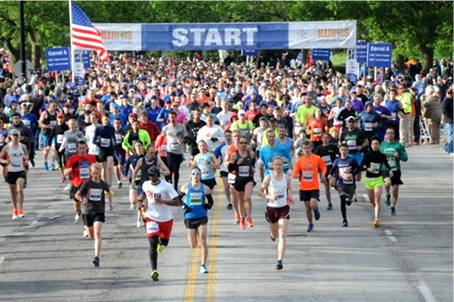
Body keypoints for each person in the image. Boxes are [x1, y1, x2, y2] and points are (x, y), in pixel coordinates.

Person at [138, 166, 181, 282]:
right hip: (151, 218)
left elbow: (178, 202)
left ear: (159, 175)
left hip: (166, 219)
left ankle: (162, 243)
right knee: (152, 244)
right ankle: (154, 270)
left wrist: (163, 201)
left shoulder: (167, 186)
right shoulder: (146, 184)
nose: (152, 178)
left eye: (154, 175)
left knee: (165, 242)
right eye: (150, 175)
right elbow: (144, 193)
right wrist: (141, 202)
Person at [258, 156, 293, 270]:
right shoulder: (268, 178)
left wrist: (290, 196)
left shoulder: (287, 178)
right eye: (276, 164)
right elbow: (259, 192)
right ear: (272, 165)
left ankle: (279, 260)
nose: (278, 166)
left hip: (283, 208)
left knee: (282, 234)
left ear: (283, 165)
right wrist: (269, 196)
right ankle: (273, 236)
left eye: (280, 164)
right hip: (271, 208)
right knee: (275, 235)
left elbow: (289, 188)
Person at [75, 163, 113, 267]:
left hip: (99, 211)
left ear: (100, 173)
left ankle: (97, 257)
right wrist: (83, 199)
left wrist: (110, 203)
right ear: (91, 173)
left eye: (97, 173)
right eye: (93, 173)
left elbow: (109, 192)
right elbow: (77, 194)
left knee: (97, 233)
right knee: (91, 235)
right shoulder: (86, 184)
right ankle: (87, 231)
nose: (95, 175)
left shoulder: (103, 184)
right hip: (87, 212)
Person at [179, 167, 214, 274]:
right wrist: (183, 206)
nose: (195, 175)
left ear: (200, 176)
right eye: (193, 173)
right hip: (190, 217)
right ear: (190, 176)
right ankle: (195, 243)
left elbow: (211, 201)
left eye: (198, 173)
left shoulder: (205, 188)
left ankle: (203, 265)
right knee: (193, 245)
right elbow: (177, 198)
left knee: (203, 240)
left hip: (202, 217)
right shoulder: (185, 187)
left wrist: (208, 205)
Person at [292, 141, 327, 232]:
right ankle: (310, 224)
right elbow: (294, 173)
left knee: (312, 204)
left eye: (308, 148)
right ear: (302, 150)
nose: (307, 150)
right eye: (305, 148)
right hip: (304, 187)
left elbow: (324, 167)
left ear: (311, 148)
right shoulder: (300, 160)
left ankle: (316, 210)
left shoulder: (317, 158)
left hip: (314, 186)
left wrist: (323, 175)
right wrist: (296, 175)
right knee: (307, 207)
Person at [63, 140, 97, 232]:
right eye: (80, 148)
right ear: (77, 149)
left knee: (88, 206)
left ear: (86, 148)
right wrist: (73, 168)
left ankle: (86, 227)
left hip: (88, 184)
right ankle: (78, 213)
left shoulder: (92, 157)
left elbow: (97, 169)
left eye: (84, 148)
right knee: (77, 207)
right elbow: (65, 172)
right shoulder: (73, 158)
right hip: (76, 184)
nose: (82, 150)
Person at [360, 136, 393, 228]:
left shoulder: (382, 156)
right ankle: (376, 208)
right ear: (371, 145)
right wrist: (368, 168)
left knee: (377, 198)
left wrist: (390, 170)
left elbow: (386, 164)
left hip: (378, 179)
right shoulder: (367, 155)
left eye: (376, 144)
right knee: (372, 201)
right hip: (369, 180)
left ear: (379, 145)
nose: (375, 146)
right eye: (373, 144)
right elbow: (360, 166)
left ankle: (376, 219)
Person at [328, 143, 361, 227]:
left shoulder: (351, 160)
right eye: (342, 150)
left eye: (345, 150)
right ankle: (344, 219)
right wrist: (330, 174)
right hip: (341, 184)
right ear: (339, 151)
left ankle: (349, 199)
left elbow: (359, 168)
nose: (343, 152)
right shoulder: (337, 160)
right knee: (342, 198)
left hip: (350, 185)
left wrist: (352, 174)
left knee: (348, 201)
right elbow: (333, 169)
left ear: (348, 151)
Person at [228, 135, 256, 229]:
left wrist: (253, 168)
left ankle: (249, 218)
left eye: (245, 143)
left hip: (248, 179)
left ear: (247, 144)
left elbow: (252, 163)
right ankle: (242, 218)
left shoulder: (251, 154)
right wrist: (237, 164)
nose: (243, 144)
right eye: (241, 143)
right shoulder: (235, 155)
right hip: (239, 180)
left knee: (247, 197)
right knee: (240, 201)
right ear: (238, 144)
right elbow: (230, 168)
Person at [0, 129, 29, 219]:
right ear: (10, 136)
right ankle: (15, 209)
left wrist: (26, 161)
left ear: (19, 136)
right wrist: (6, 161)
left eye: (17, 135)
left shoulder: (23, 146)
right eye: (13, 135)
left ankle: (20, 209)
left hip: (20, 171)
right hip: (11, 171)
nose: (15, 137)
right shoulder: (7, 147)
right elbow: (0, 158)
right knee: (13, 192)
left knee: (20, 189)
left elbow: (26, 155)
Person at [380, 128, 408, 216]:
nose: (390, 135)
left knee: (395, 191)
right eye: (388, 133)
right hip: (385, 169)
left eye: (392, 133)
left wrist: (398, 156)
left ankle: (392, 207)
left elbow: (405, 158)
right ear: (386, 134)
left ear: (394, 135)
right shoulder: (382, 145)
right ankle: (387, 194)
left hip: (396, 169)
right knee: (387, 183)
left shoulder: (398, 146)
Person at [162, 111, 189, 190]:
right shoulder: (166, 128)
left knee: (176, 169)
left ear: (176, 117)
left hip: (179, 151)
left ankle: (175, 186)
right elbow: (162, 137)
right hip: (170, 150)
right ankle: (169, 183)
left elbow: (187, 138)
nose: (171, 119)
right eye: (170, 117)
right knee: (170, 167)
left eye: (173, 117)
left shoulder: (181, 127)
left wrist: (183, 141)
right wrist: (161, 148)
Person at [314, 132, 339, 210]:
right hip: (323, 170)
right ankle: (329, 203)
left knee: (332, 184)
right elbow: (315, 159)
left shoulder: (333, 147)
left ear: (329, 139)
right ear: (322, 139)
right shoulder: (319, 148)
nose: (325, 139)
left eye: (327, 138)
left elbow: (341, 154)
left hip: (332, 169)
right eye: (324, 138)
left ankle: (340, 190)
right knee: (327, 187)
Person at [93, 113, 116, 190]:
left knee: (109, 167)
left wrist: (114, 143)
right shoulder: (98, 128)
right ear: (102, 120)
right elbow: (94, 140)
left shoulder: (111, 128)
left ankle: (109, 185)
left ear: (109, 120)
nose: (106, 121)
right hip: (101, 150)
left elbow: (114, 137)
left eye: (107, 119)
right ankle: (104, 184)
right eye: (104, 119)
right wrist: (97, 143)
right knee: (103, 168)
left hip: (110, 149)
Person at [39, 100, 58, 170]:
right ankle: (45, 161)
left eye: (55, 106)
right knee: (47, 149)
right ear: (49, 106)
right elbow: (40, 123)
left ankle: (52, 164)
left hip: (54, 133)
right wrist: (47, 126)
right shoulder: (45, 113)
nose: (54, 107)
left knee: (54, 148)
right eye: (53, 106)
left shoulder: (56, 113)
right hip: (46, 133)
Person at [441, 88, 454, 155]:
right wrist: (451, 117)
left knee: (451, 136)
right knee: (451, 136)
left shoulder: (452, 101)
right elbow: (444, 111)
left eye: (451, 93)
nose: (450, 94)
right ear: (446, 94)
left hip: (452, 120)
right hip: (449, 120)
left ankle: (447, 147)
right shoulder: (445, 101)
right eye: (449, 93)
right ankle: (450, 150)